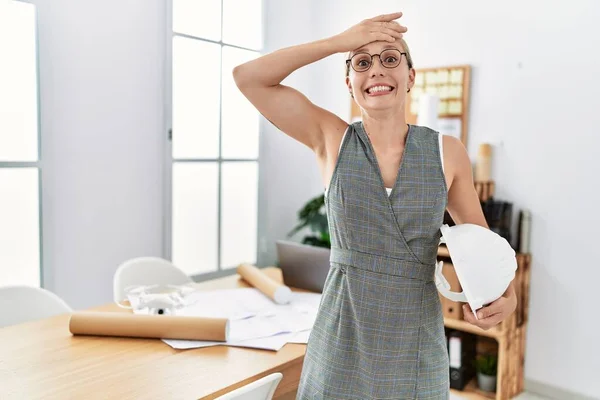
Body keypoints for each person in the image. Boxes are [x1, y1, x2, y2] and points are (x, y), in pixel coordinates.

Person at [233, 12, 517, 400]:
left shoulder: (447, 153)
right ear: (349, 83)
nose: (376, 71)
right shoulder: (330, 138)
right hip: (340, 336)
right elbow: (248, 77)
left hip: (415, 343)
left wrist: (507, 297)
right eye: (362, 63)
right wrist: (338, 42)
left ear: (411, 77)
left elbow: (485, 248)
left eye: (390, 58)